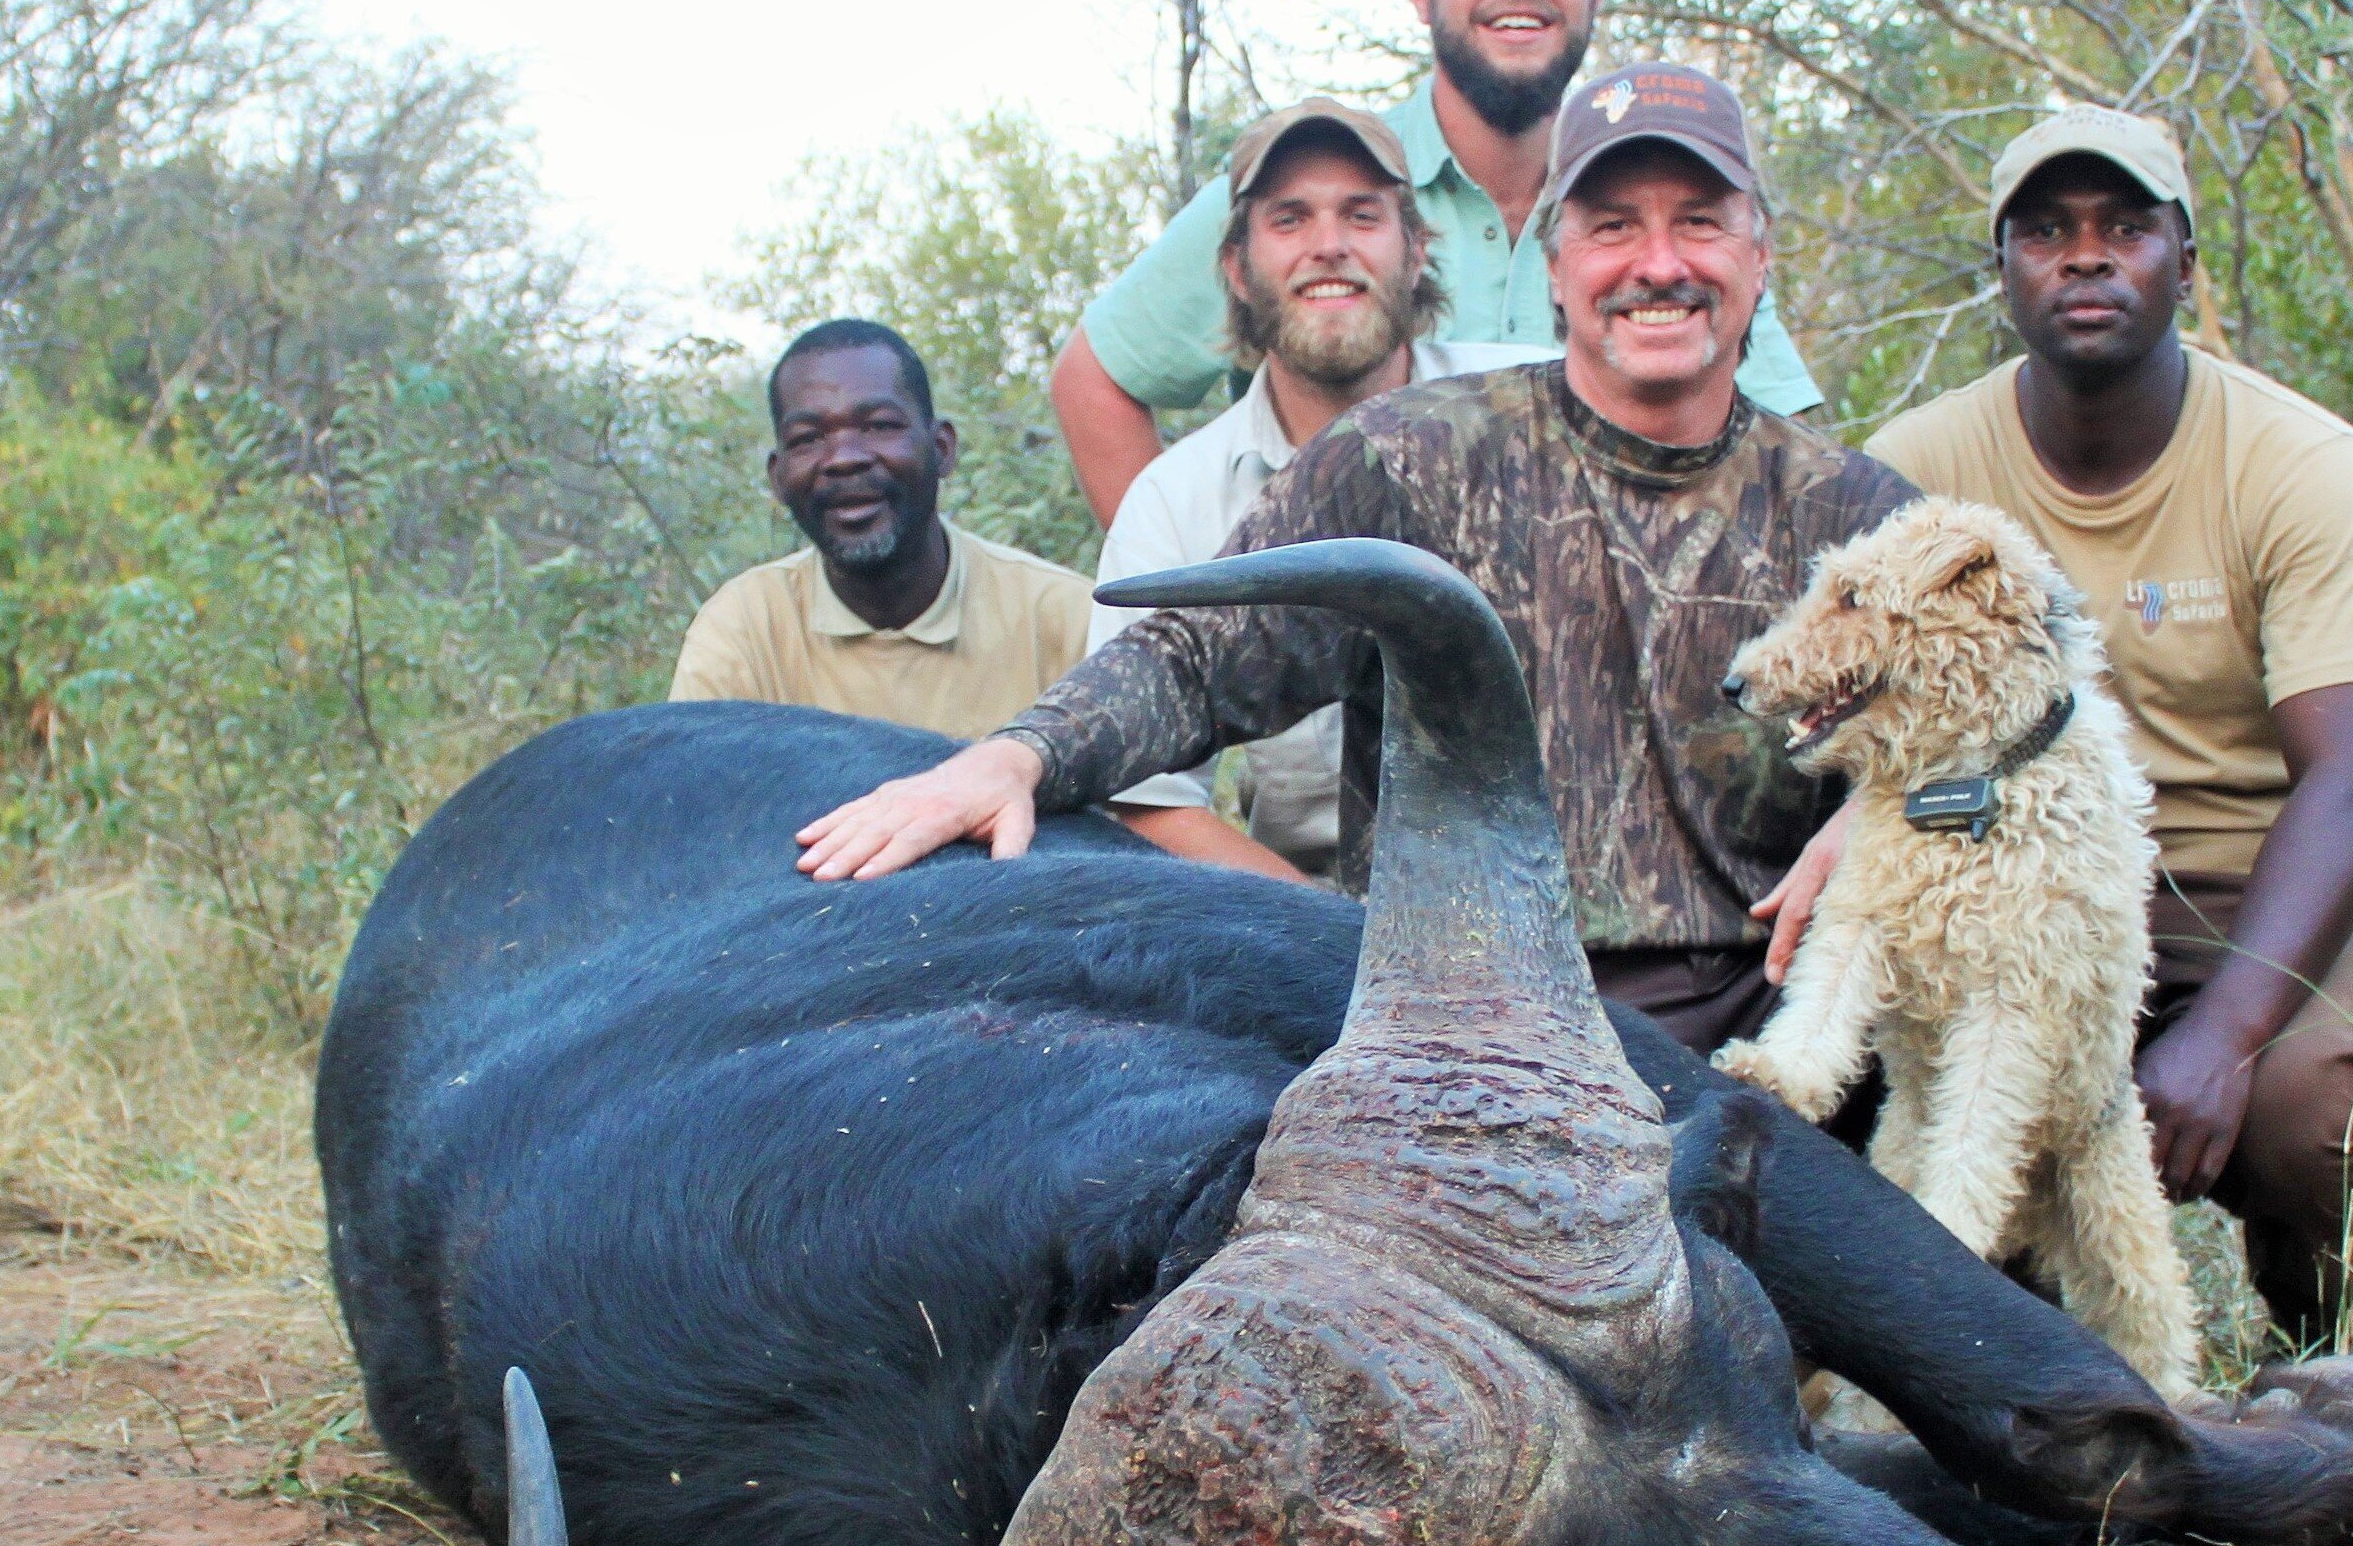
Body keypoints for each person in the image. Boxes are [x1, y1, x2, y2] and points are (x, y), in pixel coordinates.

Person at [796, 63, 1916, 1057]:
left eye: (1702, 224)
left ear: (1759, 258)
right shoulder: (1409, 458)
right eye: (1616, 225)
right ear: (1562, 262)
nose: (1659, 264)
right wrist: (1018, 757)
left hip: (1764, 1045)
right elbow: (1197, 660)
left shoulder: (1857, 514)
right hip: (1459, 1032)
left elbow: (2041, 713)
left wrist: (1898, 805)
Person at [1822, 105, 2353, 1352]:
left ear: (2186, 263)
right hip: (2002, 878)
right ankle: (2010, 1350)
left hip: (2252, 878)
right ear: (2001, 270)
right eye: (2047, 231)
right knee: (1867, 1082)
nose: (2087, 256)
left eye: (2127, 227)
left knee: (2306, 1106)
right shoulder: (1911, 468)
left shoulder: (2302, 462)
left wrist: (2223, 1037)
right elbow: (1860, 742)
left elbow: (2352, 781)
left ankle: (2324, 1352)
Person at [1047, 0, 1824, 524]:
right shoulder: (1304, 197)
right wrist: (1214, 610)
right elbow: (1096, 379)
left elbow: (1785, 442)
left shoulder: (1666, 222)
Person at [1093, 96, 1541, 875]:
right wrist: (1335, 940)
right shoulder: (1176, 503)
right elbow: (1146, 800)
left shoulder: (1531, 408)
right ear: (1237, 265)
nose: (1328, 247)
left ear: (1415, 250)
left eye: (1362, 216)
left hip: (1566, 904)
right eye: (1290, 219)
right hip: (1316, 918)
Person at [670, 318, 1093, 739]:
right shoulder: (743, 632)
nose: (843, 458)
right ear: (778, 477)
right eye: (807, 438)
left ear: (942, 449)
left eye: (879, 425)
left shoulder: (1065, 620)